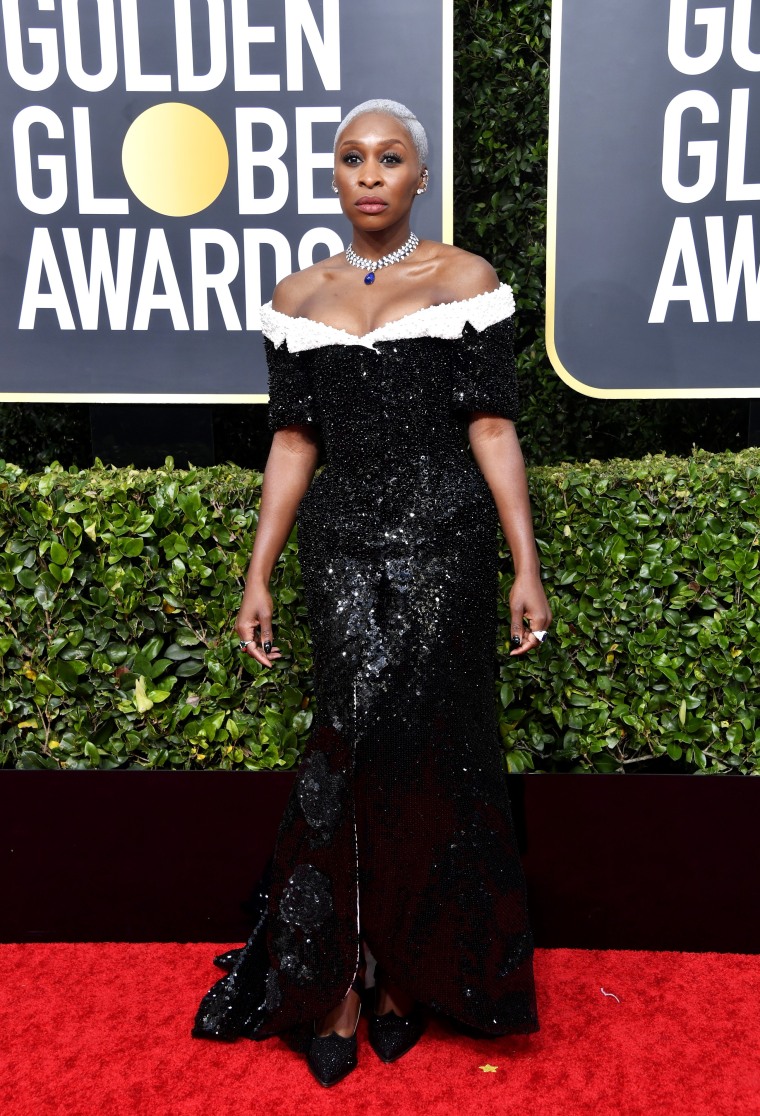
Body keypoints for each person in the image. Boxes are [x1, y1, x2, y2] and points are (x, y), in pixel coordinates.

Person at [192, 99, 552, 1086]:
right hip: (341, 547)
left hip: (446, 543)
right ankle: (340, 980)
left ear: (417, 178)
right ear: (335, 176)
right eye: (352, 158)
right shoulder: (297, 295)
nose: (370, 173)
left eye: (390, 158)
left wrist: (524, 564)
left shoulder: (466, 281)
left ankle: (408, 976)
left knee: (430, 749)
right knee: (347, 752)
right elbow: (293, 443)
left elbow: (491, 431)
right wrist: (258, 571)